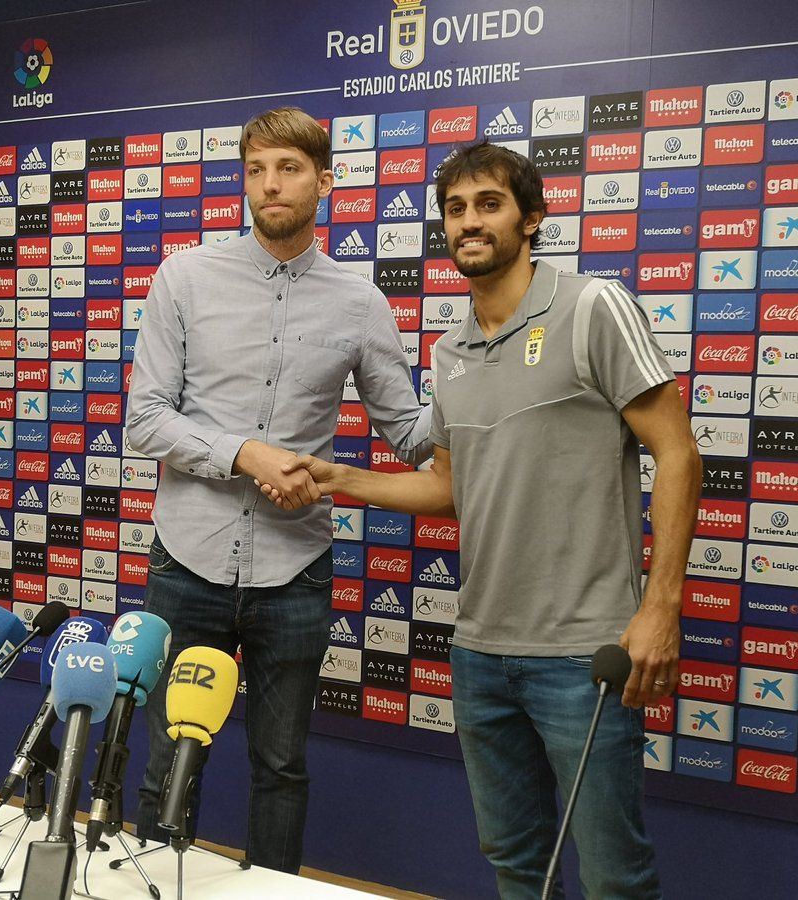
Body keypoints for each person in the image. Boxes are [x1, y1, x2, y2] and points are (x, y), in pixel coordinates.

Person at [263, 141, 701, 897]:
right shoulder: (450, 349)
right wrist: (342, 477)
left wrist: (661, 607)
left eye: (489, 204)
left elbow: (680, 454)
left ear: (531, 219)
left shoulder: (594, 305)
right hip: (482, 653)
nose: (470, 222)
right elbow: (450, 488)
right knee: (514, 864)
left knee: (613, 877)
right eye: (456, 209)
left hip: (584, 652)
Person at [124, 106, 432, 873]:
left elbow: (414, 435)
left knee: (282, 770)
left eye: (289, 168)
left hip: (295, 572)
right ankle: (154, 887)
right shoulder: (185, 277)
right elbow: (146, 419)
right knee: (167, 759)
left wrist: (484, 374)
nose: (271, 184)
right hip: (185, 564)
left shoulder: (360, 302)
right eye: (256, 169)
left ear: (325, 181)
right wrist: (246, 454)